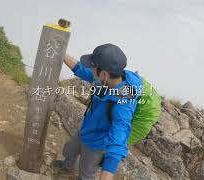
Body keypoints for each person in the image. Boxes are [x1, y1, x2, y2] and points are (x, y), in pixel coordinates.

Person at [54, 44, 143, 180]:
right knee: (69, 150)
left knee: (86, 174)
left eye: (93, 67)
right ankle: (67, 165)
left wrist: (107, 174)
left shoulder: (124, 103)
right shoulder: (106, 79)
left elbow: (119, 136)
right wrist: (60, 52)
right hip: (85, 130)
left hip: (97, 144)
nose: (90, 69)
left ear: (104, 74)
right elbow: (81, 70)